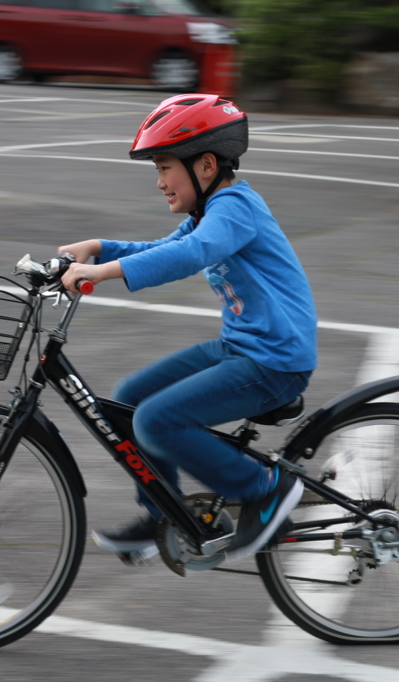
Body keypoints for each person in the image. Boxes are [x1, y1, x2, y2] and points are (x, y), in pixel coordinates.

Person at [59, 93, 318, 563]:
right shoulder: (207, 213)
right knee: (130, 398)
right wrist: (99, 248)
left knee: (157, 421)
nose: (159, 182)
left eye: (164, 167)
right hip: (240, 349)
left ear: (204, 166)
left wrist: (100, 274)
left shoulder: (236, 207)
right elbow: (162, 246)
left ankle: (266, 490)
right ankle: (164, 512)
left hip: (274, 361)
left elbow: (190, 255)